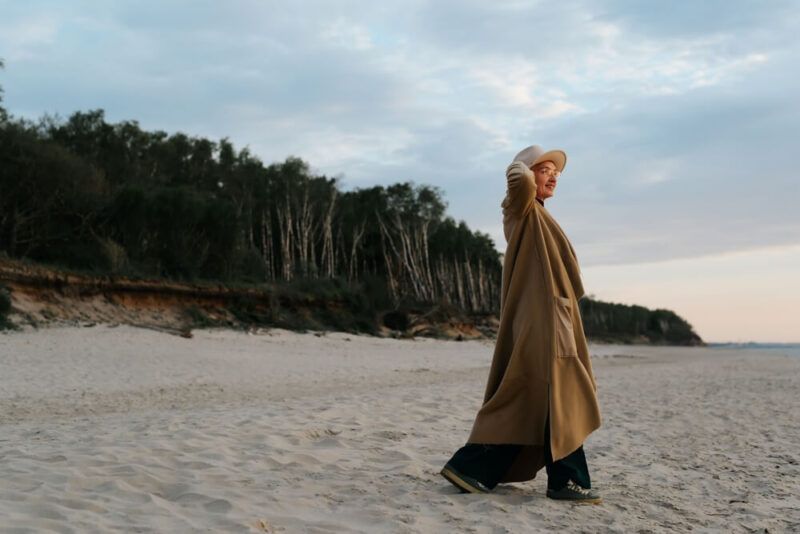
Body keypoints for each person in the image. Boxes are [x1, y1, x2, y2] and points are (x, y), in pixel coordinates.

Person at [440, 145, 603, 503]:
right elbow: (516, 178)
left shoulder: (540, 215)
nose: (553, 175)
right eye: (545, 170)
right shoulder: (520, 207)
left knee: (538, 392)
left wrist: (537, 168)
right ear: (529, 174)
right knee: (556, 390)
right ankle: (566, 478)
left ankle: (474, 469)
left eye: (555, 171)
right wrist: (525, 165)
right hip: (540, 319)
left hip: (553, 317)